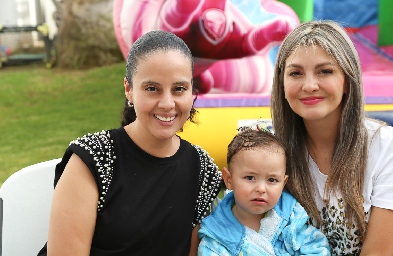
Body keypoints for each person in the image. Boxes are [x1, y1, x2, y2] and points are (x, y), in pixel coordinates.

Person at [37, 30, 222, 255]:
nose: (167, 103)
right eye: (152, 88)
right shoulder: (93, 160)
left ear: (192, 91)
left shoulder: (202, 169)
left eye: (179, 89)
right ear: (129, 90)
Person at [270, 20, 393, 255]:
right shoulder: (271, 151)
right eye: (295, 73)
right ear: (282, 84)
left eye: (325, 71)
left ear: (347, 80)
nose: (309, 85)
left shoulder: (388, 147)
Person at [198, 126, 331, 255]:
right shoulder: (216, 236)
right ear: (229, 180)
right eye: (250, 178)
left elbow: (318, 249)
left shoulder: (292, 220)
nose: (261, 189)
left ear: (283, 183)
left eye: (272, 180)